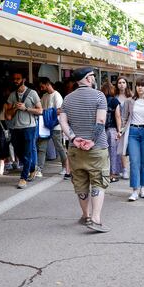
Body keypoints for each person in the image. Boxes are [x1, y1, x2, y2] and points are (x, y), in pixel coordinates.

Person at [59, 67, 110, 233]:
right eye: (93, 76)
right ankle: (95, 219)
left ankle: (85, 215)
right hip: (96, 147)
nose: (94, 79)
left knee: (80, 183)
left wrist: (74, 138)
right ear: (88, 78)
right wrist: (91, 140)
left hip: (75, 148)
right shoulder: (99, 96)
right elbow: (101, 121)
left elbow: (63, 122)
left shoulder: (67, 99)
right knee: (98, 181)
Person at [120, 76, 144, 201]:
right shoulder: (129, 101)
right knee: (134, 161)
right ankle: (135, 190)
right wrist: (120, 130)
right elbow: (124, 118)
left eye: (142, 85)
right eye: (138, 85)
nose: (140, 87)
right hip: (133, 132)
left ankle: (143, 187)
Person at [5, 71, 42, 189]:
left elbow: (40, 110)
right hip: (15, 128)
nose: (15, 80)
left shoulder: (33, 93)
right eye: (14, 78)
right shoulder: (12, 95)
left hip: (29, 128)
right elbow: (8, 116)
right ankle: (32, 168)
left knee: (27, 152)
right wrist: (15, 108)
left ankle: (23, 178)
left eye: (18, 78)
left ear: (24, 79)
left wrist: (26, 109)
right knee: (19, 152)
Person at [36, 77, 69, 178]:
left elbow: (60, 110)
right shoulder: (44, 96)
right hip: (45, 125)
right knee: (42, 147)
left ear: (47, 84)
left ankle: (65, 166)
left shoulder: (57, 95)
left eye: (42, 86)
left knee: (59, 146)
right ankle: (39, 169)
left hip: (55, 125)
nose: (41, 88)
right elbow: (40, 108)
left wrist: (47, 112)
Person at [102, 81, 121, 182]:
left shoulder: (100, 100)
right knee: (113, 153)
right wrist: (119, 130)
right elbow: (117, 116)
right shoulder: (115, 101)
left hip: (101, 130)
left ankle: (103, 174)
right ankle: (112, 175)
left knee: (103, 153)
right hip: (112, 129)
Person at [115, 77, 132, 179]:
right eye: (119, 82)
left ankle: (127, 168)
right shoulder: (115, 97)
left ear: (126, 84)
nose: (121, 84)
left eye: (123, 82)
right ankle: (124, 169)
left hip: (130, 124)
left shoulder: (132, 96)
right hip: (118, 124)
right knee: (121, 148)